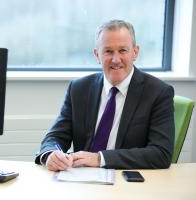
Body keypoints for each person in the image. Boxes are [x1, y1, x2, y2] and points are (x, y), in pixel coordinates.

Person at [35, 19, 175, 171]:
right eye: (108, 51)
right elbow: (55, 137)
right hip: (81, 180)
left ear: (135, 52)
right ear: (97, 55)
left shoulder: (158, 93)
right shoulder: (78, 89)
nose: (116, 59)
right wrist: (50, 154)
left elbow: (161, 153)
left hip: (128, 181)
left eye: (123, 50)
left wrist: (100, 158)